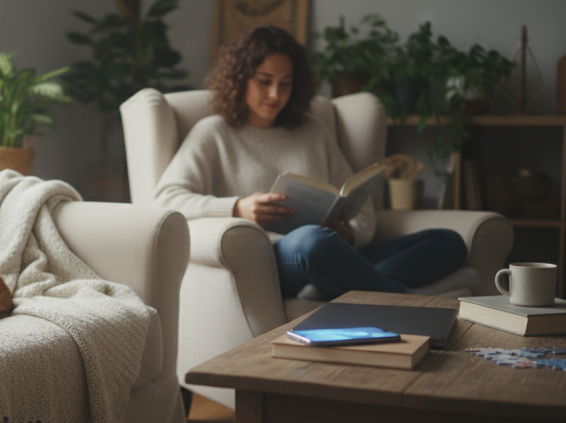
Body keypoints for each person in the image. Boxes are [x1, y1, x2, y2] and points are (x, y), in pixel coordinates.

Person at [153, 25, 467, 300]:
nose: (275, 94)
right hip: (277, 258)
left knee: (448, 241)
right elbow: (165, 199)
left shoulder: (313, 131)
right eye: (264, 81)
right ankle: (399, 301)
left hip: (334, 251)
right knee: (311, 241)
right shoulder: (213, 132)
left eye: (285, 83)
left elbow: (362, 211)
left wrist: (349, 234)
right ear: (240, 79)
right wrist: (237, 208)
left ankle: (330, 286)